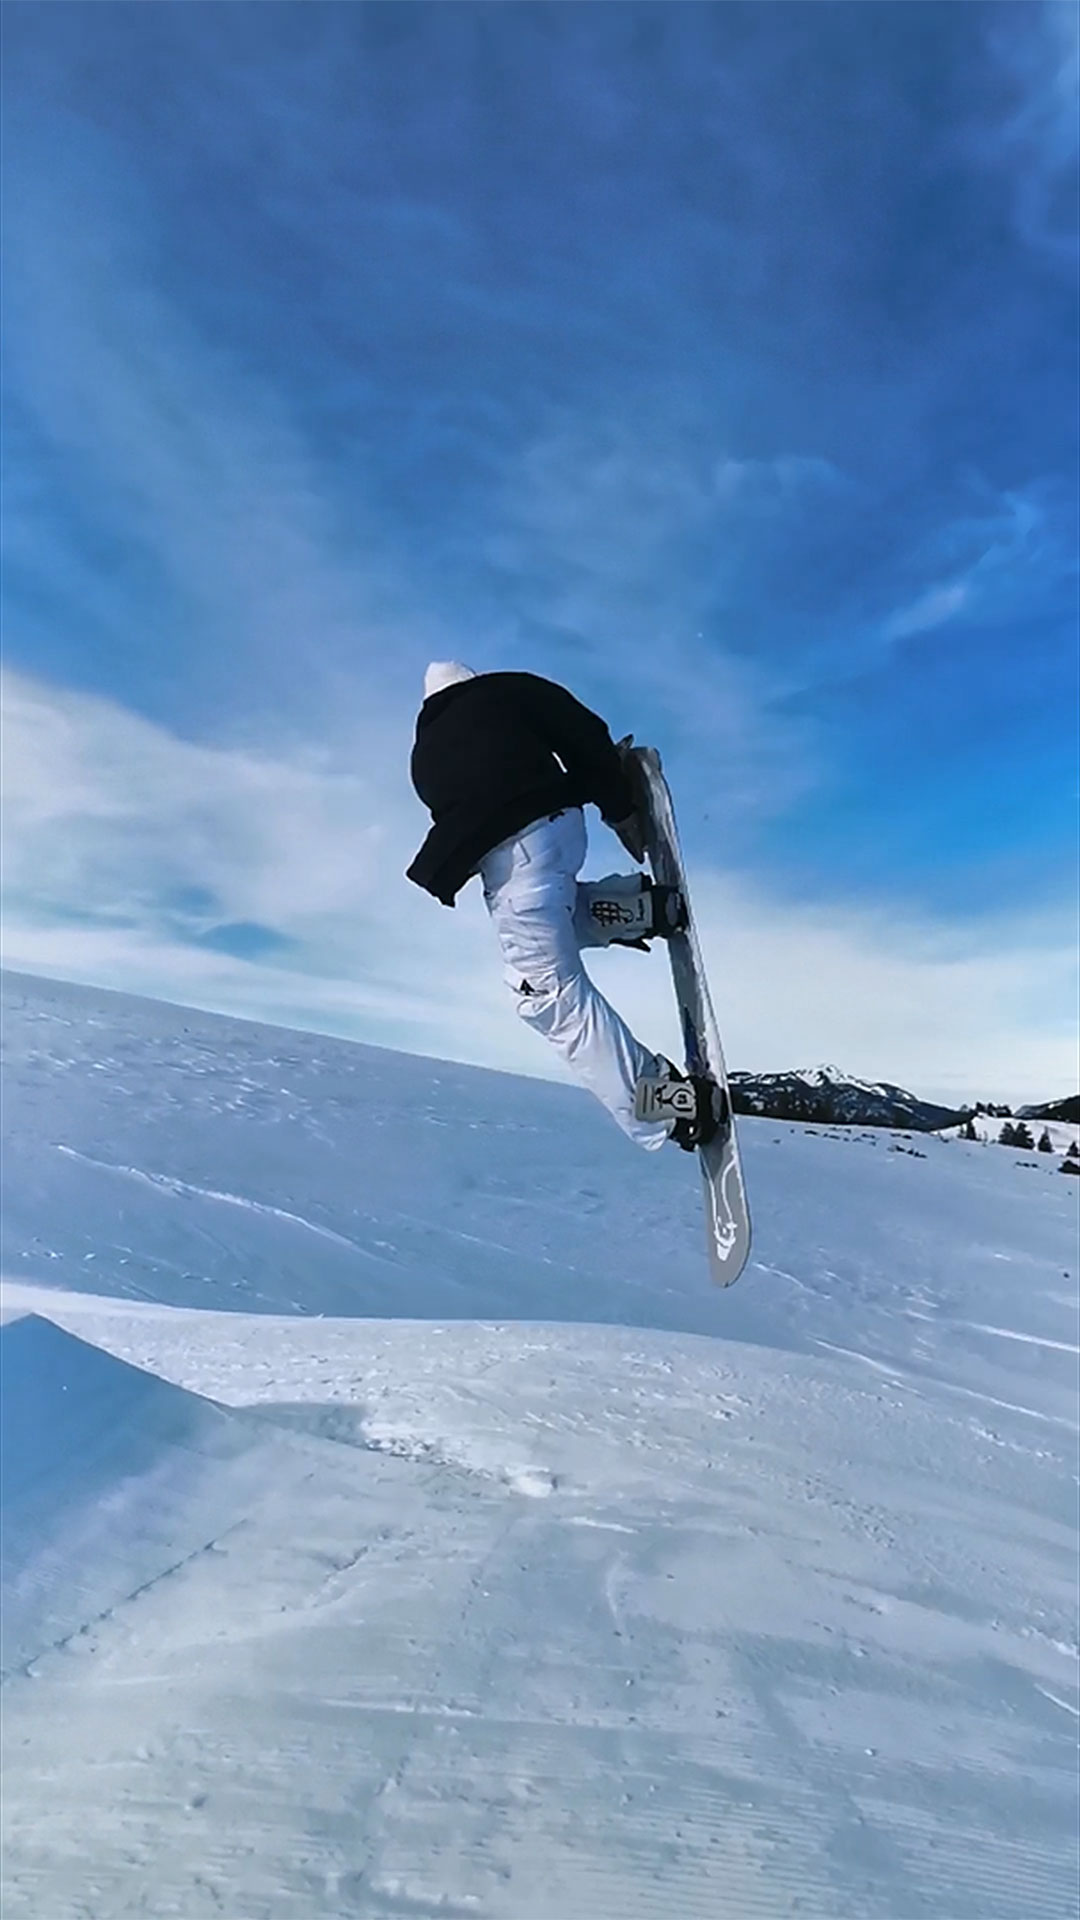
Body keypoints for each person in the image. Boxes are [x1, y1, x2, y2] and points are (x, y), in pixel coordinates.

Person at [406, 661, 699, 1150]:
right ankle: (636, 909)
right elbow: (581, 730)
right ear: (470, 680)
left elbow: (469, 818)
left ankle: (670, 1107)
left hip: (512, 862)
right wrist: (620, 809)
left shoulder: (423, 755)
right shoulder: (509, 689)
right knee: (550, 919)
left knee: (546, 995)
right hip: (562, 829)